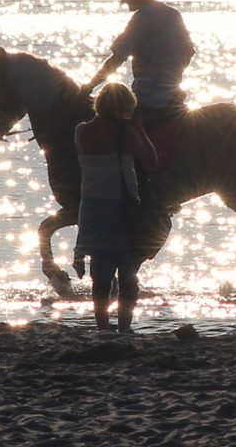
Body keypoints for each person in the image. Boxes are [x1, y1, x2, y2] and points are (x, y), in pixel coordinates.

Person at [81, 0, 195, 171]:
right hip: (174, 94)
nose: (123, 1)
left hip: (148, 96)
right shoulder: (172, 14)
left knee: (109, 128)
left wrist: (89, 87)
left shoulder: (142, 18)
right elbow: (189, 52)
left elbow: (117, 59)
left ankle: (123, 178)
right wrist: (173, 72)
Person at [72, 84, 160, 331]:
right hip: (122, 209)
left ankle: (101, 327)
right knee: (127, 275)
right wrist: (139, 129)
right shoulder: (125, 133)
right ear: (126, 107)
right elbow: (152, 162)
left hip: (91, 208)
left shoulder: (81, 132)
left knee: (100, 277)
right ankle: (124, 327)